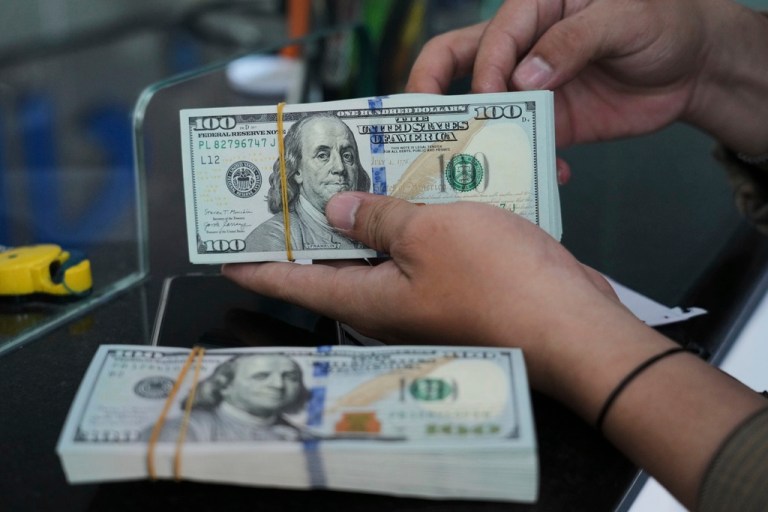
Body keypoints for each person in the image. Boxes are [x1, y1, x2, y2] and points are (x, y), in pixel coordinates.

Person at [224, 0, 768, 510]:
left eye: (348, 151)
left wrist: (568, 333)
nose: (342, 166)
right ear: (293, 170)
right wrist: (722, 66)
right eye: (324, 154)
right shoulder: (270, 236)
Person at [244, 113, 372, 252]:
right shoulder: (272, 238)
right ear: (297, 171)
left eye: (347, 156)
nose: (340, 167)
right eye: (322, 156)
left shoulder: (370, 228)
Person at [151, 354, 312, 442]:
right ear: (225, 385)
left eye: (290, 377)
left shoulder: (300, 436)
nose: (278, 385)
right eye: (261, 376)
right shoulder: (185, 429)